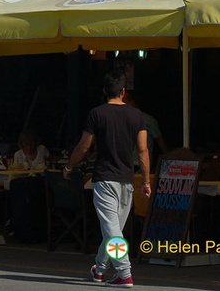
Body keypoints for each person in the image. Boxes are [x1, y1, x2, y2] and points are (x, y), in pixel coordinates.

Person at [64, 71, 150, 287]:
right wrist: (147, 180)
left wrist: (69, 165)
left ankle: (124, 272)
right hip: (127, 178)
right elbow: (143, 151)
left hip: (104, 177)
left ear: (104, 91)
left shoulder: (96, 114)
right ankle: (100, 268)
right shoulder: (137, 115)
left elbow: (84, 147)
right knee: (113, 229)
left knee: (111, 229)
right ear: (123, 91)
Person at [123, 90, 169, 169]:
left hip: (138, 165)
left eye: (124, 101)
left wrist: (170, 161)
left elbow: (160, 141)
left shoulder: (148, 120)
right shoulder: (120, 120)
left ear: (131, 102)